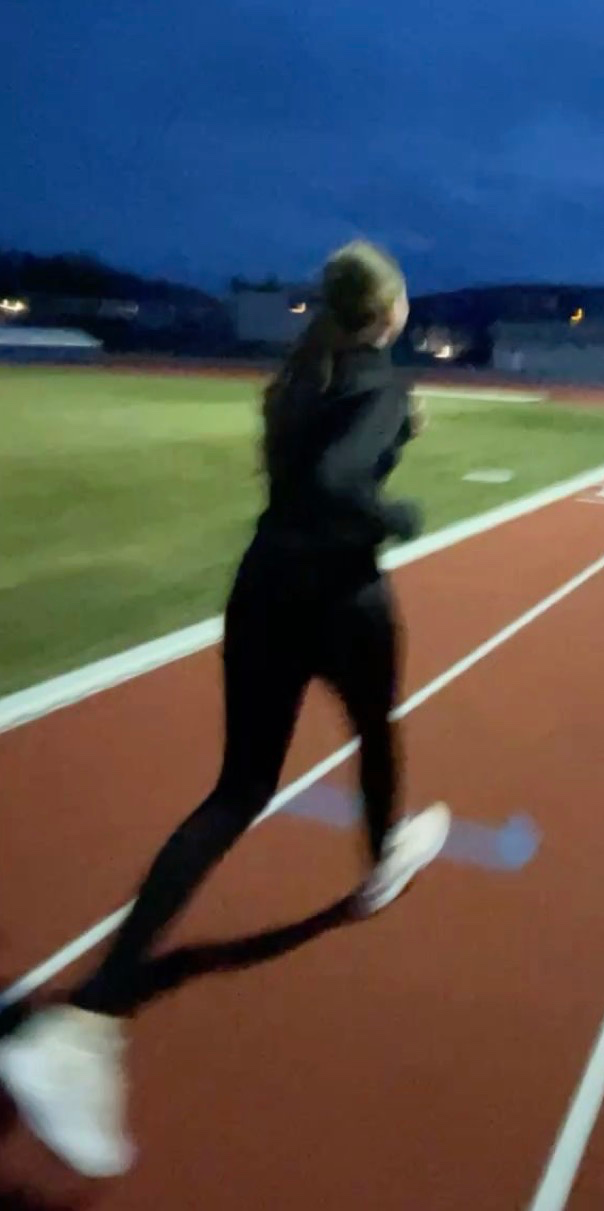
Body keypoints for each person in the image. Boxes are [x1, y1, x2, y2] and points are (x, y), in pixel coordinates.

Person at [0, 240, 451, 1177]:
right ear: (389, 311)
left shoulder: (301, 376)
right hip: (341, 600)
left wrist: (391, 434)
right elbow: (339, 486)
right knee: (375, 730)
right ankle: (380, 861)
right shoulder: (376, 381)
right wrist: (398, 511)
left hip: (262, 594)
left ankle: (92, 1013)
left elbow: (310, 472)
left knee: (239, 788)